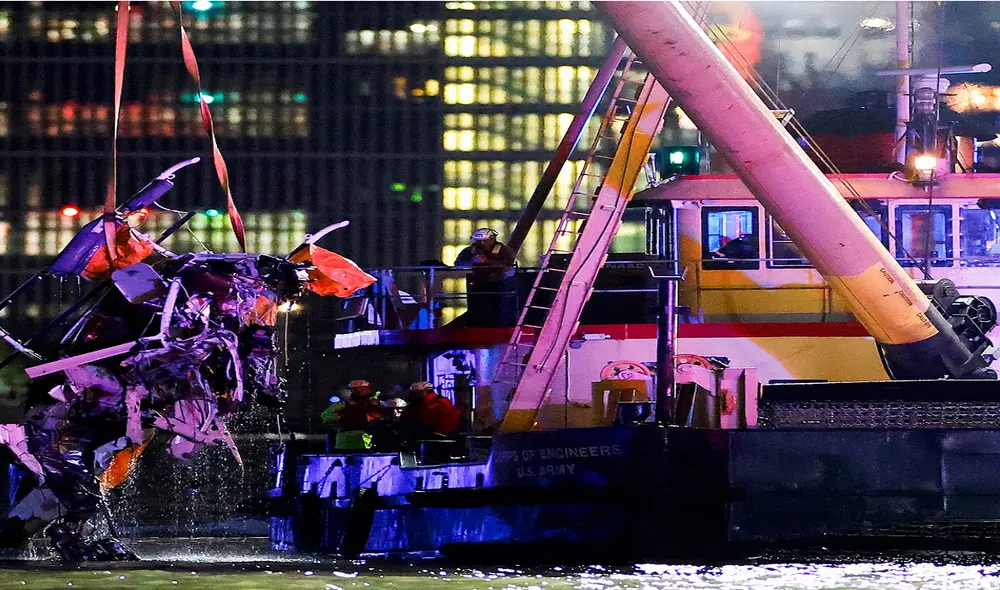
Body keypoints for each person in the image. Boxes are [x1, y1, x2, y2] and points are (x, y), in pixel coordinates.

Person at [454, 228, 518, 327]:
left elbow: (507, 265)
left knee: (500, 308)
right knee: (478, 308)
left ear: (492, 239)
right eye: (478, 241)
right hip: (477, 284)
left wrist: (487, 262)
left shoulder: (504, 250)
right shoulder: (470, 250)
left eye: (484, 241)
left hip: (500, 284)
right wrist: (472, 262)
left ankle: (501, 325)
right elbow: (458, 263)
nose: (481, 243)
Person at [321, 380, 382, 450]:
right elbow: (325, 416)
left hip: (365, 441)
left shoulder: (372, 403)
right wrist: (340, 417)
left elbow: (381, 417)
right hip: (347, 441)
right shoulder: (343, 405)